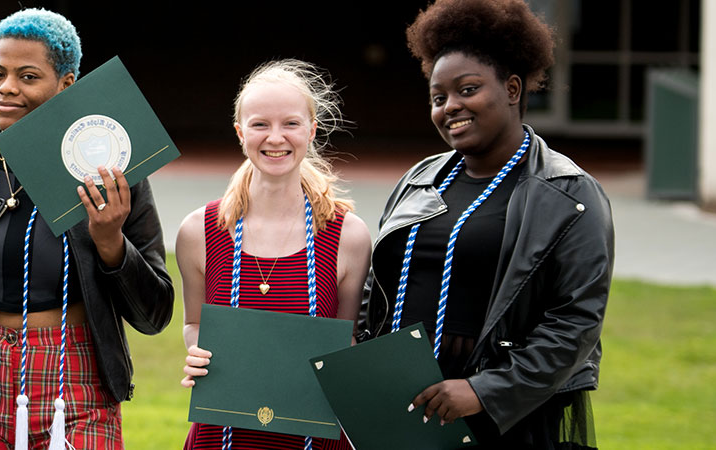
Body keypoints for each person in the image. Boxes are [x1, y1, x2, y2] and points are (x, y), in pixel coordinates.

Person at [361, 0, 614, 448]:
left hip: (503, 415)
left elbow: (575, 322)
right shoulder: (419, 180)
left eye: (468, 89)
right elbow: (376, 288)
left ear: (513, 89)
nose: (450, 107)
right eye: (438, 98)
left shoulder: (569, 193)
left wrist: (483, 391)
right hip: (406, 403)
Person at [0, 8, 175, 449]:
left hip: (75, 379)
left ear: (67, 84)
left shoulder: (115, 176)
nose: (7, 89)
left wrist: (111, 242)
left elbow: (154, 317)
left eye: (28, 76)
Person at [176, 59, 371, 450]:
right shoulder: (198, 231)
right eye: (260, 124)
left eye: (291, 124)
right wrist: (198, 353)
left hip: (314, 435)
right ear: (240, 132)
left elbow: (347, 341)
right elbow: (194, 323)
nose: (275, 137)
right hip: (222, 435)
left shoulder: (348, 235)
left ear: (312, 130)